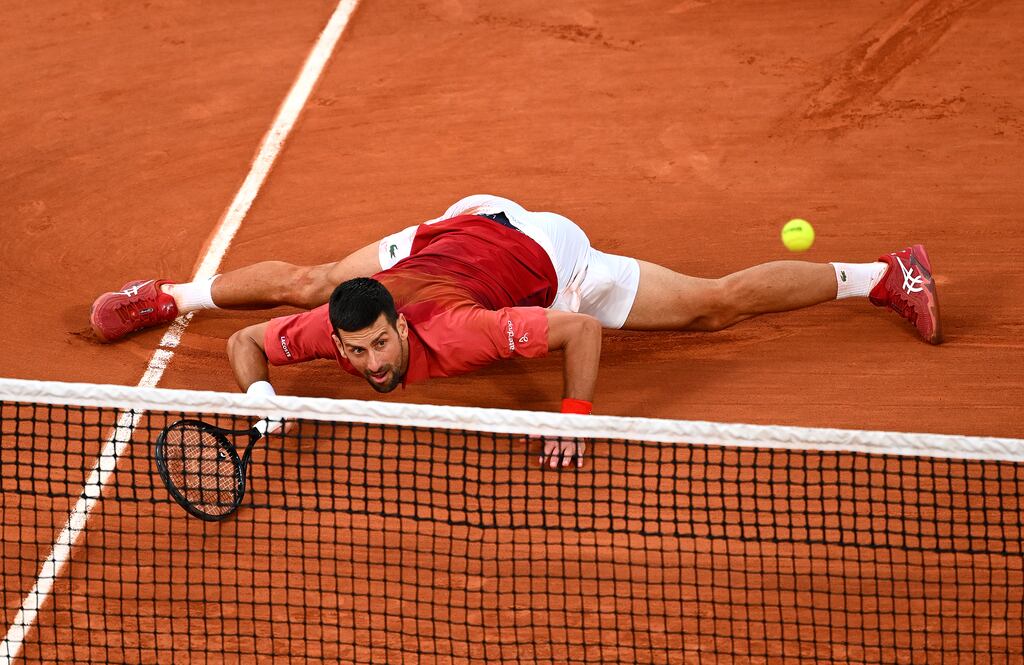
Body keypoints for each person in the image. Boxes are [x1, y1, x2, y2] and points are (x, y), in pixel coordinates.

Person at [90, 194, 941, 466]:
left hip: (548, 254)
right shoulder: (336, 323)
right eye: (361, 352)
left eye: (379, 344)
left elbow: (577, 331)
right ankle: (163, 295)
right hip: (456, 228)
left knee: (710, 305)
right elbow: (252, 341)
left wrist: (569, 416)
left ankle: (885, 273)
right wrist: (263, 394)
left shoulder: (463, 336)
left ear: (394, 326)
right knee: (314, 275)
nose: (373, 361)